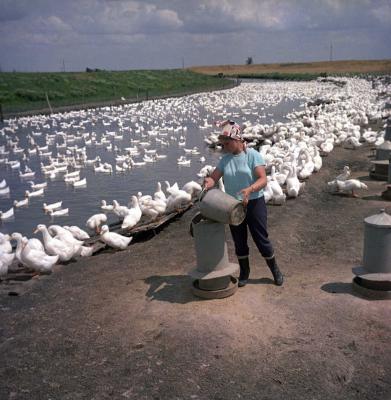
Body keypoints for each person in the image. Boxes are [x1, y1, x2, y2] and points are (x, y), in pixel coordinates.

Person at [203, 120, 283, 287]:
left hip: (254, 203)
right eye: (222, 144)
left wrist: (249, 190)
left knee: (261, 239)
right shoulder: (225, 160)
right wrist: (209, 181)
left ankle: (275, 269)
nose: (224, 147)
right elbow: (214, 177)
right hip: (233, 206)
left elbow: (263, 179)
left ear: (237, 139)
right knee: (239, 241)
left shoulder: (252, 155)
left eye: (227, 143)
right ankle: (245, 272)